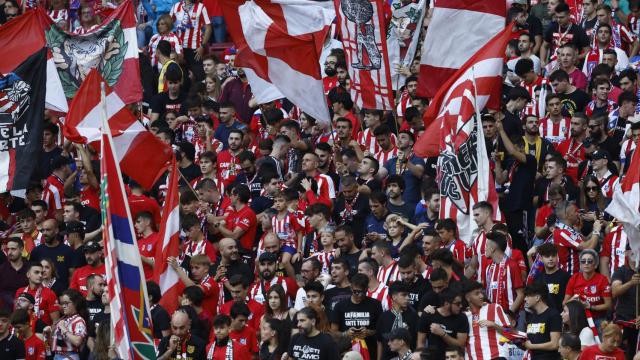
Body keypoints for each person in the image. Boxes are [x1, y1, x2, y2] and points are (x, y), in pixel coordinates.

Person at [331, 273, 382, 360]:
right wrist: (345, 334)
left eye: (363, 292)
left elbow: (381, 331)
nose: (360, 295)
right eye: (356, 292)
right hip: (346, 353)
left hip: (370, 352)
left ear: (367, 288)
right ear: (351, 288)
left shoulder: (375, 304)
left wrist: (368, 332)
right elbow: (333, 333)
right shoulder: (340, 306)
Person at [563, 249, 612, 325]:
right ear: (580, 265)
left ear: (595, 265)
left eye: (589, 261)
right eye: (583, 261)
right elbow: (565, 304)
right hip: (578, 319)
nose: (586, 263)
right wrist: (573, 300)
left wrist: (590, 307)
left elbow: (608, 305)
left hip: (598, 319)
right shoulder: (574, 278)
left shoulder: (602, 279)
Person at [416, 288, 468, 359]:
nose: (461, 306)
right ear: (446, 304)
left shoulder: (462, 318)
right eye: (457, 304)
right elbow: (421, 342)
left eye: (461, 303)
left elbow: (460, 345)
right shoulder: (428, 314)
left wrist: (443, 334)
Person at [463, 280, 509, 359]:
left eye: (481, 293)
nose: (481, 296)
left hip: (496, 356)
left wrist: (494, 325)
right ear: (468, 298)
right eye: (477, 294)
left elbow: (509, 333)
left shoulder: (494, 307)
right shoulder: (464, 316)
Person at [375, 282, 418, 359]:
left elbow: (418, 340)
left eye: (408, 295)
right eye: (404, 295)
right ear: (394, 297)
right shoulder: (384, 317)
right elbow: (379, 342)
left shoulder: (413, 316)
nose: (408, 298)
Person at [523, 282, 562, 359]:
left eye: (528, 296)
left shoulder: (553, 315)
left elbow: (555, 344)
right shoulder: (531, 317)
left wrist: (531, 346)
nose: (525, 299)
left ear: (537, 297)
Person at [50, 289, 89, 360]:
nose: (63, 306)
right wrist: (47, 334)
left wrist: (64, 329)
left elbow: (77, 341)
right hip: (57, 356)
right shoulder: (62, 319)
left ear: (76, 303)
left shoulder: (79, 320)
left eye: (66, 303)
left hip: (70, 356)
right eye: (62, 303)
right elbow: (53, 345)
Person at [532, 243, 571, 311]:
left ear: (557, 257)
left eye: (553, 256)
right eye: (547, 256)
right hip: (543, 319)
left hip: (560, 318)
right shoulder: (538, 279)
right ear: (541, 258)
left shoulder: (566, 277)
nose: (551, 258)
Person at [0, 238, 28, 309]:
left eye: (13, 249)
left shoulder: (30, 268)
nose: (9, 252)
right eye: (8, 249)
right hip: (6, 311)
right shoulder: (2, 269)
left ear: (21, 249)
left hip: (27, 309)